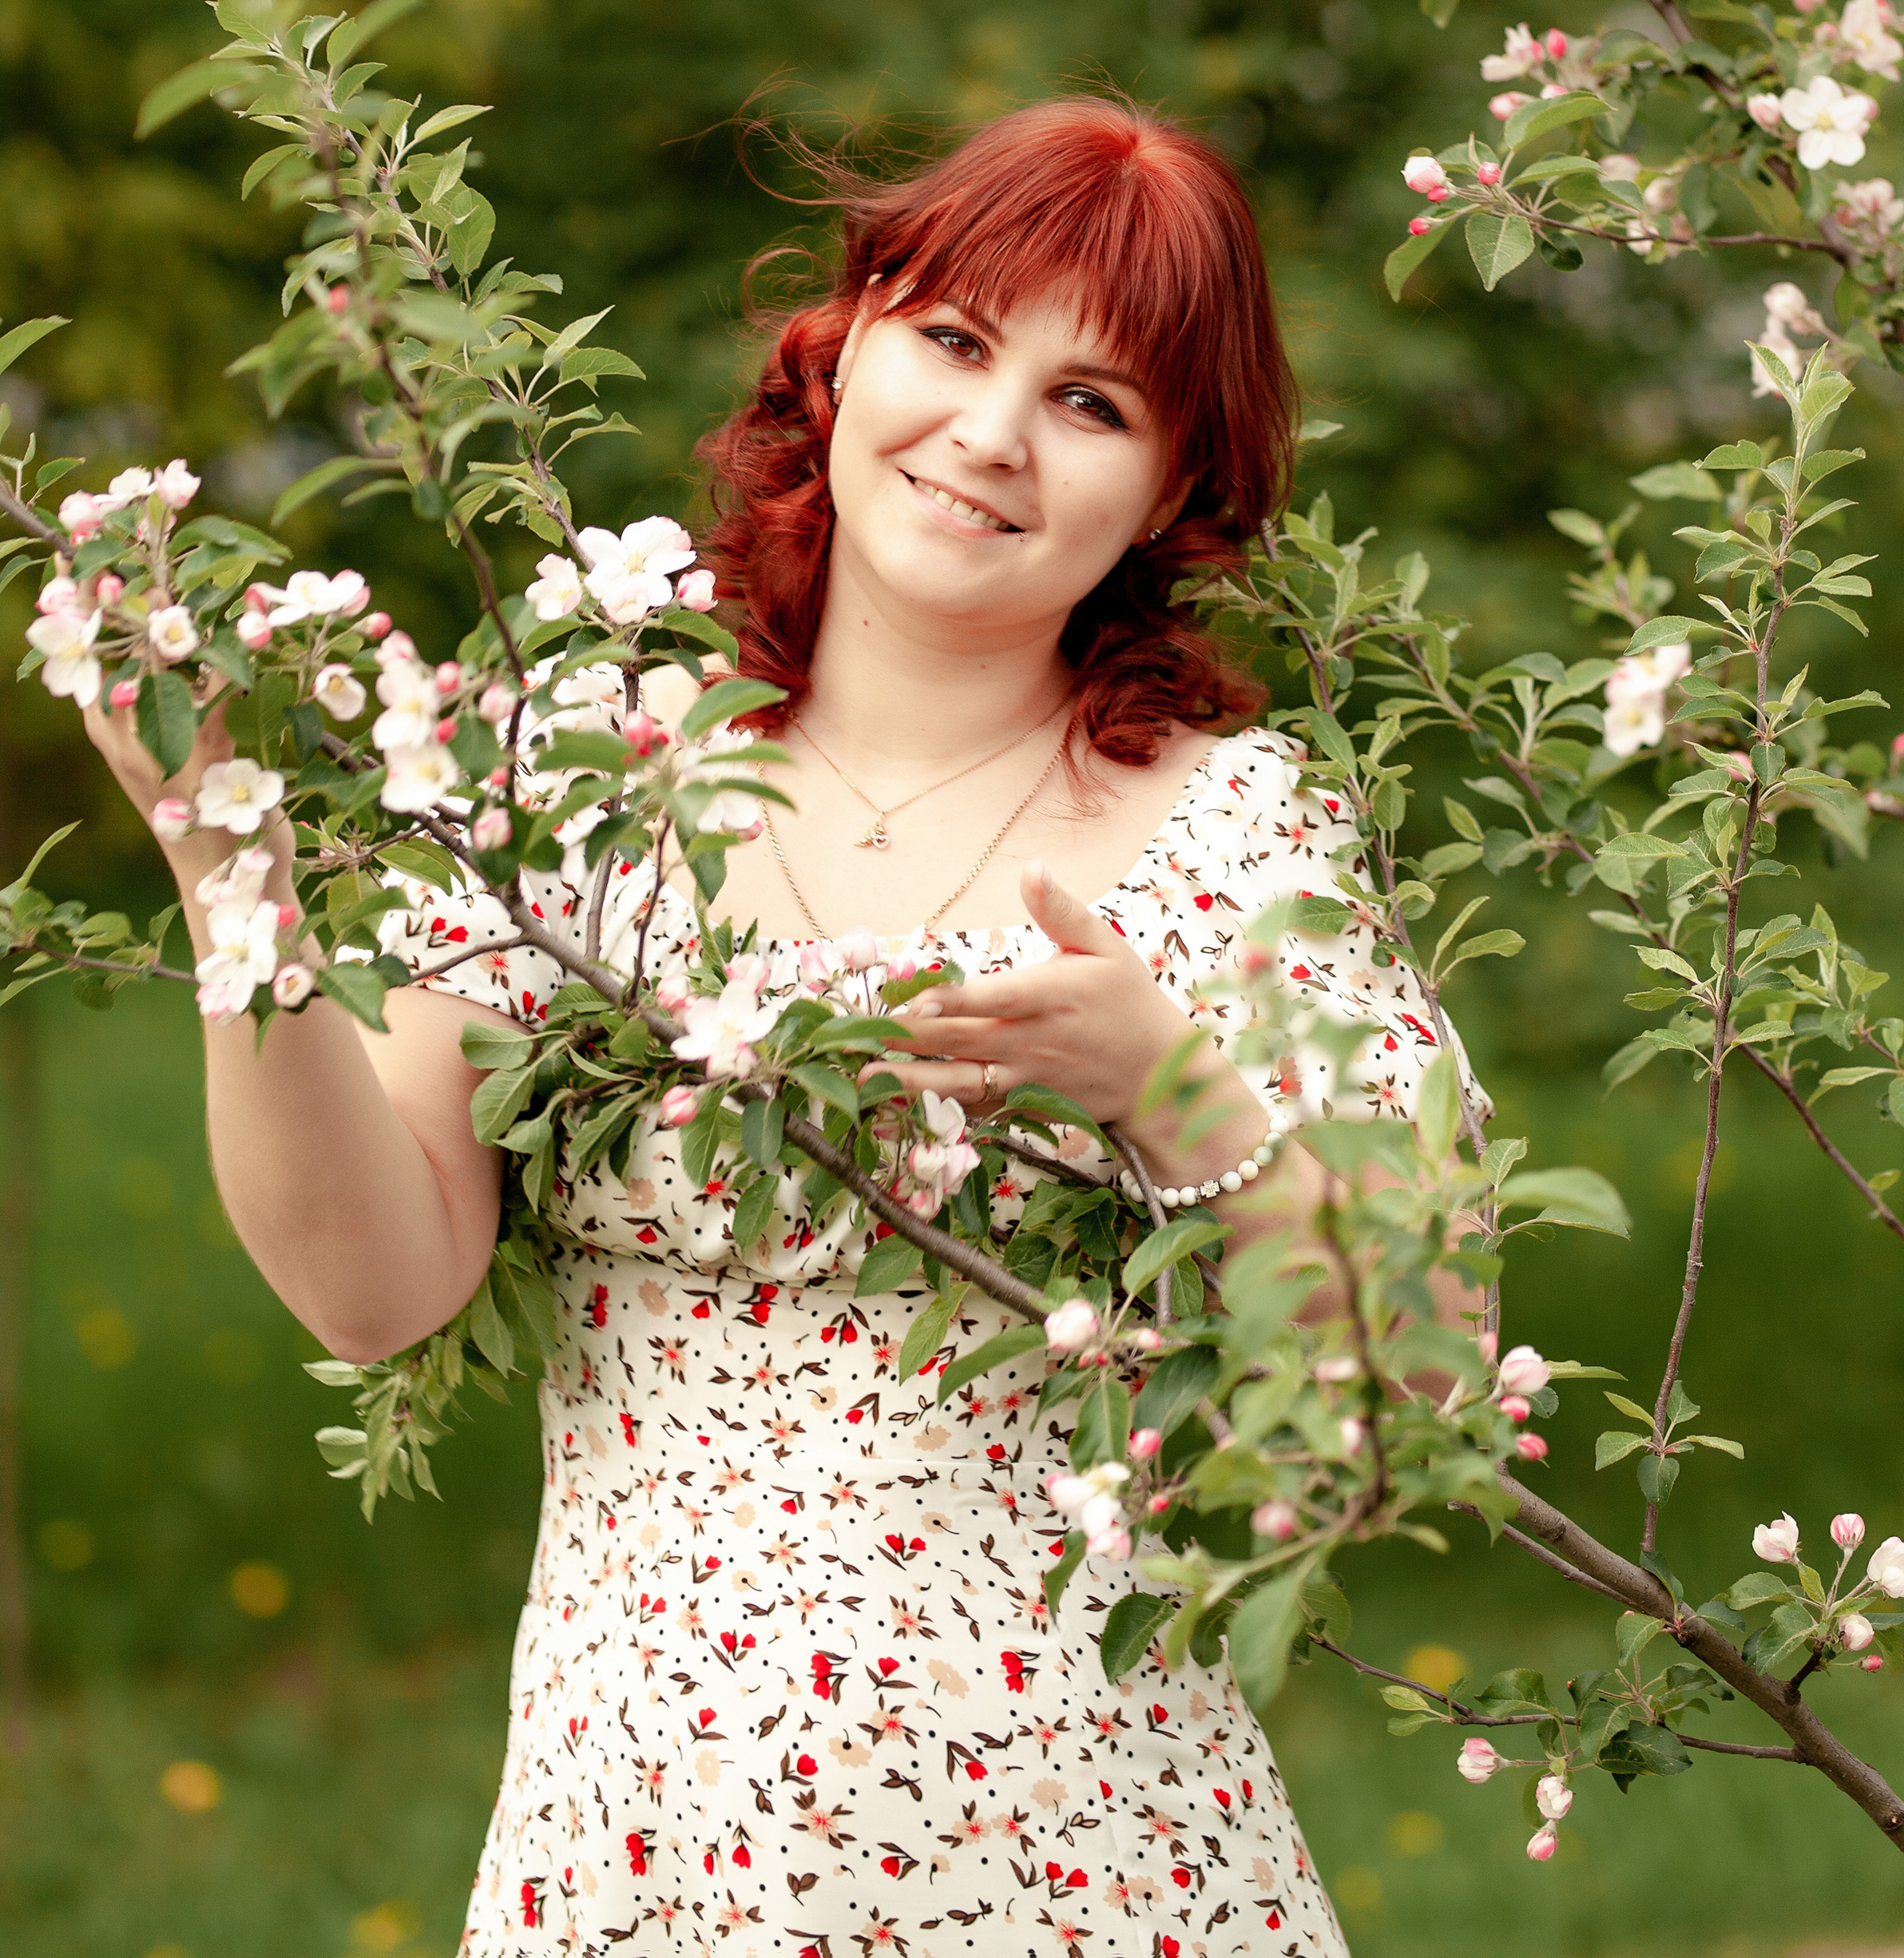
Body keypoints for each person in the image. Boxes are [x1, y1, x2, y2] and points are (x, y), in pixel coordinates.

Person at [84, 93, 1481, 1958]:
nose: (987, 436)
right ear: (842, 350)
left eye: (1090, 402)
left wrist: (1174, 1092)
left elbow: (1423, 1371)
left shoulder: (1239, 836)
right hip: (638, 1863)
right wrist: (225, 877)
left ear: (1172, 489)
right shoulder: (580, 782)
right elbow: (375, 1286)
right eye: (957, 341)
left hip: (1099, 1870)